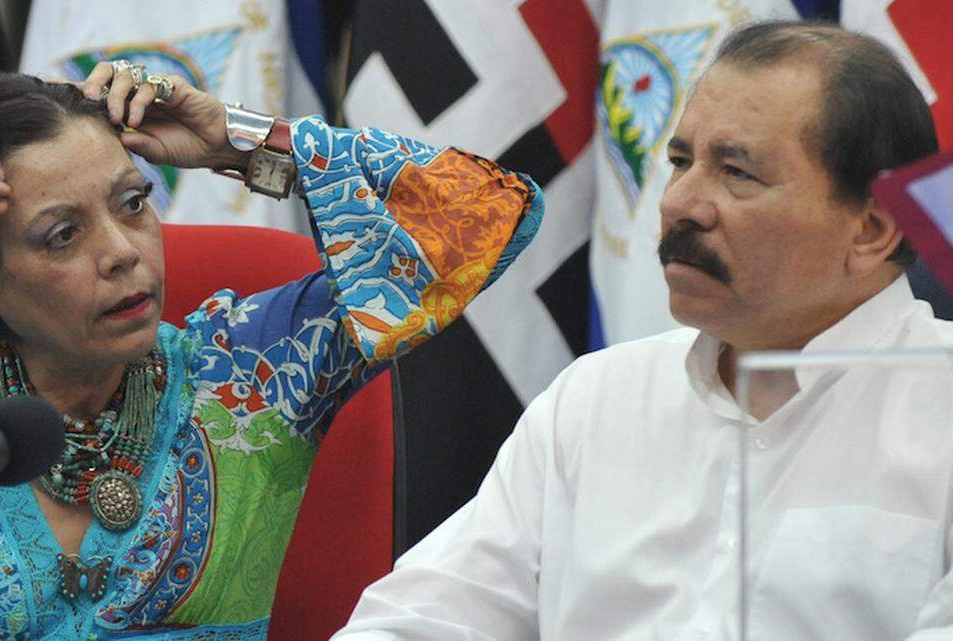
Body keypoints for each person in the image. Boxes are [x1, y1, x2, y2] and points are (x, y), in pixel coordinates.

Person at [0, 60, 543, 640]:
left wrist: (245, 140)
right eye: (62, 234)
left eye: (133, 204)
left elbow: (494, 212)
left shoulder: (252, 374)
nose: (122, 252)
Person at [333, 20, 953, 641]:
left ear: (871, 230)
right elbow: (423, 618)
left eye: (737, 172)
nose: (679, 202)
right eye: (681, 161)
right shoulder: (597, 397)